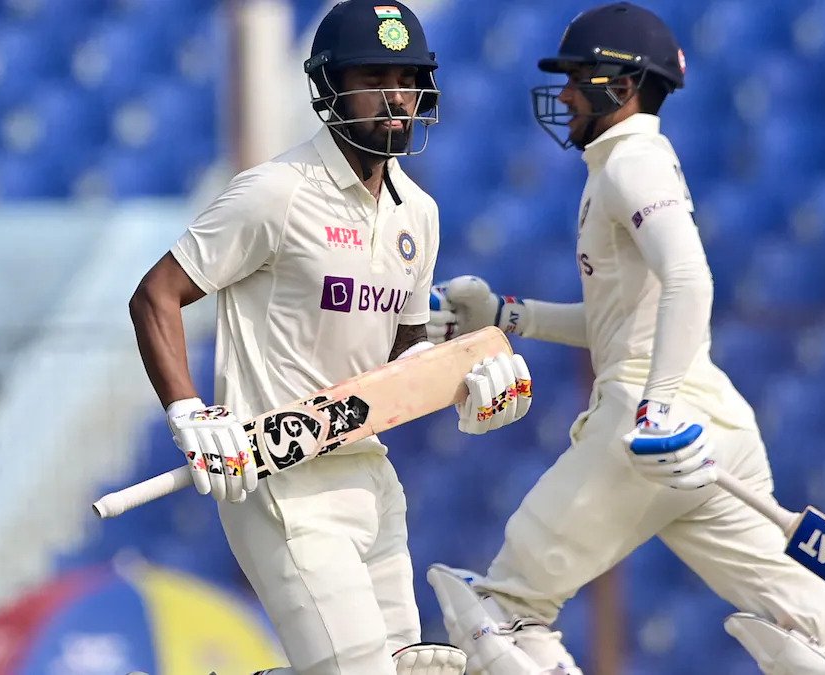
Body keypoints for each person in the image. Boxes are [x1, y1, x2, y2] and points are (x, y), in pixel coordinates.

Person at [422, 3, 825, 674]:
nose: (565, 93)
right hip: (713, 428)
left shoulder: (632, 163)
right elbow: (620, 320)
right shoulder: (626, 163)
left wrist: (656, 406)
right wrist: (508, 315)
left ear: (621, 87)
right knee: (816, 634)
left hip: (649, 425)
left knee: (503, 612)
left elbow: (690, 278)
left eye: (578, 77)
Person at [127, 2, 531, 673]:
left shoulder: (419, 215)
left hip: (371, 478)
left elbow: (402, 359)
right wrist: (187, 410)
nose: (396, 97)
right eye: (374, 77)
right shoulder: (274, 192)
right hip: (282, 482)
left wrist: (466, 382)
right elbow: (157, 294)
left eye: (407, 79)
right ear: (329, 87)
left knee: (411, 667)